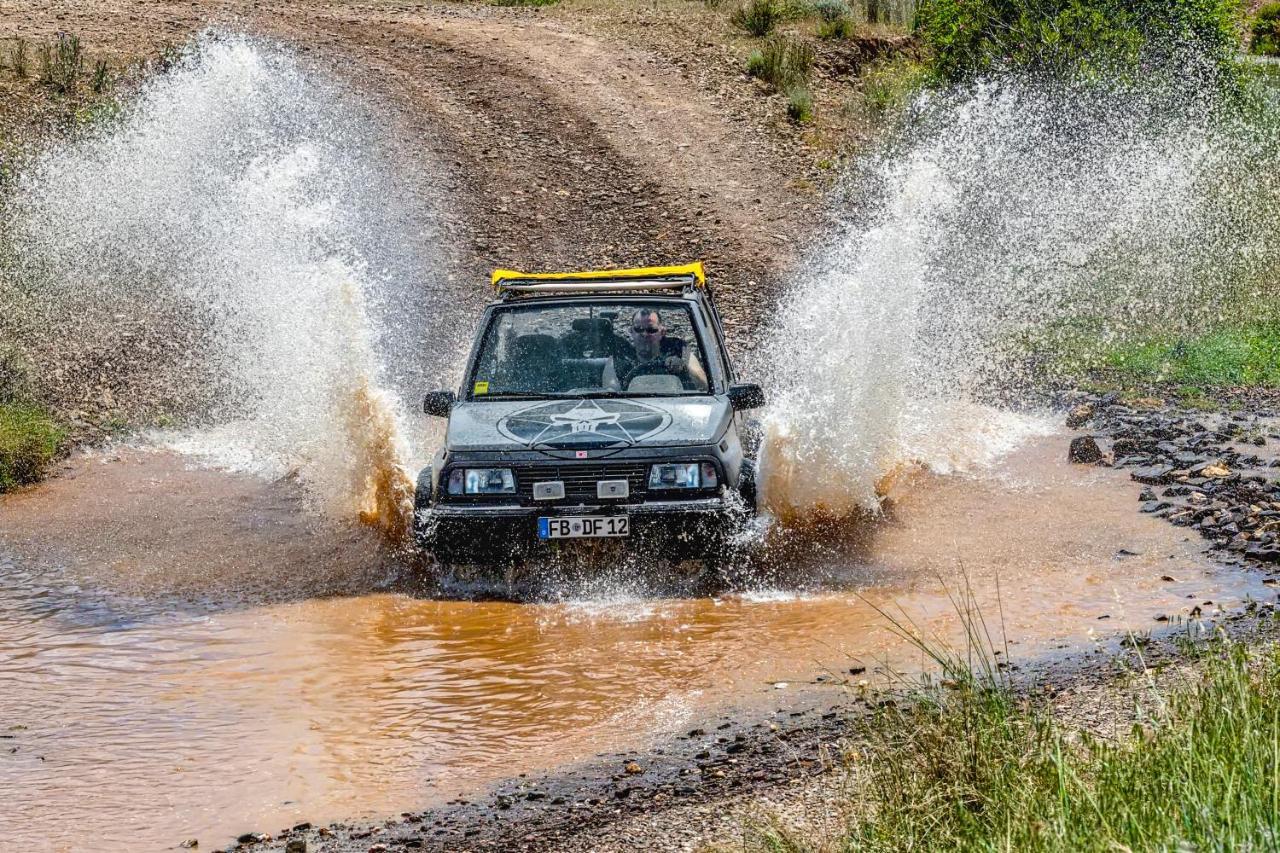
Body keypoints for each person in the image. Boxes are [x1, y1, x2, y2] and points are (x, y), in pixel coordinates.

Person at [621, 308, 707, 389]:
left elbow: (704, 382)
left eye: (651, 330)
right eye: (638, 329)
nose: (644, 334)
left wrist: (684, 367)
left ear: (662, 332)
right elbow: (610, 389)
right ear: (631, 332)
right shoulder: (623, 356)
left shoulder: (678, 349)